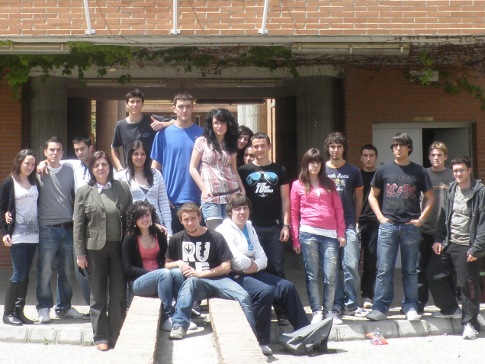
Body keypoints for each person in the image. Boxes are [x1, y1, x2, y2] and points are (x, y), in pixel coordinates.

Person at [216, 193, 310, 355]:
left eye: (245, 208)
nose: (242, 212)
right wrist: (251, 264)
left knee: (286, 287)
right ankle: (261, 340)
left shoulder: (249, 226)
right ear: (230, 211)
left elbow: (263, 257)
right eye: (238, 209)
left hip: (250, 272)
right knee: (264, 291)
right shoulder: (223, 230)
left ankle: (305, 332)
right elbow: (235, 260)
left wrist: (253, 266)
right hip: (233, 276)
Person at [366, 132, 434, 321]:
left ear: (409, 148)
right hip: (388, 226)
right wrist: (380, 216)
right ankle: (380, 307)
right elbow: (372, 195)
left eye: (401, 145)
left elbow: (430, 197)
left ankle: (410, 306)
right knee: (384, 269)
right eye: (395, 145)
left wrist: (421, 219)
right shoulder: (384, 170)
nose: (397, 148)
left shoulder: (419, 171)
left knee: (410, 270)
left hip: (411, 227)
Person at [164, 203, 256, 342]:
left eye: (193, 218)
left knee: (243, 297)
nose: (190, 223)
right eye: (186, 219)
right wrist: (179, 263)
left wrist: (201, 274)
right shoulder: (177, 238)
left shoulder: (215, 236)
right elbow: (167, 265)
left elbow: (226, 267)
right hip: (194, 284)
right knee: (191, 282)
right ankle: (179, 325)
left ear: (200, 217)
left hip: (218, 280)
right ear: (181, 221)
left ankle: (252, 336)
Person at [74, 151, 132, 351]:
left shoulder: (122, 188)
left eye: (104, 164)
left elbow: (131, 218)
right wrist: (80, 254)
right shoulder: (84, 192)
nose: (100, 168)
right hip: (94, 250)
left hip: (118, 250)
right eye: (97, 165)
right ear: (92, 169)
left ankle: (117, 334)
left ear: (110, 167)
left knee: (118, 294)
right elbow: (78, 226)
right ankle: (101, 337)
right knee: (97, 294)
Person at [426, 156, 485, 340]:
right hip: (449, 242)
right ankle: (450, 308)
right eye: (455, 171)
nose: (458, 174)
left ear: (469, 170)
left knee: (467, 285)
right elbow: (444, 216)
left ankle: (470, 323)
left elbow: (483, 223)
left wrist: (476, 249)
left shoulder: (480, 191)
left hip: (467, 246)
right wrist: (438, 239)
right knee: (433, 274)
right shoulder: (451, 188)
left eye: (461, 170)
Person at [238, 132, 291, 326]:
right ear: (251, 148)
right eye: (256, 146)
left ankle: (282, 312)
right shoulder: (243, 170)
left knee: (276, 268)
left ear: (269, 147)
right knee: (253, 269)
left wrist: (286, 225)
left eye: (263, 146)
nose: (259, 150)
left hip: (274, 227)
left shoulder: (280, 170)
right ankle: (259, 310)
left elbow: (286, 199)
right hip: (252, 228)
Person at [290, 148, 346, 325]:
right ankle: (316, 311)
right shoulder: (297, 185)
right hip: (308, 233)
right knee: (312, 274)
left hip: (330, 234)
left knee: (330, 275)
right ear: (305, 164)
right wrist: (295, 238)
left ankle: (329, 311)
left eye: (317, 162)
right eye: (310, 162)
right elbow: (293, 213)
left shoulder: (329, 183)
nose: (314, 165)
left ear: (321, 164)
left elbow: (338, 209)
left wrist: (341, 233)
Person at [122, 201, 197, 332]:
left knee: (177, 273)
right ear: (134, 220)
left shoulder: (158, 233)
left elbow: (165, 259)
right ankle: (167, 317)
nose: (145, 219)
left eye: (147, 215)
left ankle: (182, 315)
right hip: (140, 283)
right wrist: (153, 274)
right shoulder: (130, 238)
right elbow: (128, 268)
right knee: (165, 273)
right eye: (140, 216)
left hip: (163, 278)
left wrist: (162, 273)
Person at [36, 136, 85, 323]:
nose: (54, 153)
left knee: (66, 271)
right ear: (45, 152)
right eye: (51, 150)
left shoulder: (70, 169)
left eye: (58, 150)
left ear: (63, 153)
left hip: (67, 227)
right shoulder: (39, 171)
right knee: (45, 270)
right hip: (47, 227)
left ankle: (63, 307)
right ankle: (43, 307)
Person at [151, 91, 203, 234]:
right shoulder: (162, 134)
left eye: (188, 106)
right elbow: (155, 168)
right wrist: (160, 196)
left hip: (198, 200)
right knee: (172, 246)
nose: (184, 110)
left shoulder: (203, 134)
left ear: (193, 108)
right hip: (170, 201)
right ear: (174, 109)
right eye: (180, 106)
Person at [324, 132, 364, 317]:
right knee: (332, 268)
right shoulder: (321, 170)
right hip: (327, 226)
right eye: (332, 146)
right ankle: (337, 303)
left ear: (343, 148)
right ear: (328, 148)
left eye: (339, 146)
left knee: (350, 265)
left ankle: (353, 303)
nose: (335, 150)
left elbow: (359, 198)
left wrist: (354, 222)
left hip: (347, 224)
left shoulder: (353, 171)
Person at [189, 108, 245, 230]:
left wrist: (242, 190)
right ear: (211, 124)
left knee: (232, 232)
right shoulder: (202, 141)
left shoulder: (231, 144)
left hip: (231, 195)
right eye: (216, 123)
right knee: (215, 234)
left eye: (222, 123)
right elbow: (192, 168)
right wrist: (203, 189)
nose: (219, 126)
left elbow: (234, 170)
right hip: (211, 196)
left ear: (228, 124)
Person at [1, 150, 39, 326]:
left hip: (33, 235)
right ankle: (7, 313)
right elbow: (2, 209)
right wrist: (4, 233)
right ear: (19, 162)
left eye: (33, 164)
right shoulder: (10, 183)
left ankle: (19, 311)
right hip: (17, 234)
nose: (30, 167)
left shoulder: (34, 180)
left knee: (25, 274)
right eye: (27, 163)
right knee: (18, 273)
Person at [418, 141, 454, 313]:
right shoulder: (423, 174)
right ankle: (419, 304)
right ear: (429, 157)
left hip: (447, 231)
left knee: (446, 271)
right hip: (425, 228)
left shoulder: (453, 175)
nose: (436, 158)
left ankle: (451, 303)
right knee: (420, 269)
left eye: (439, 155)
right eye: (433, 155)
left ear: (445, 156)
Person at [116, 140, 172, 236]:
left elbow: (164, 204)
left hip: (157, 225)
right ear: (130, 155)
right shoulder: (121, 176)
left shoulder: (156, 174)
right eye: (136, 154)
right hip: (134, 227)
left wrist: (169, 230)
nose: (139, 157)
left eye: (143, 154)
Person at [111, 89, 172, 171]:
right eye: (132, 101)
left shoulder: (152, 120)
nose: (135, 104)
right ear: (127, 104)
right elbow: (114, 147)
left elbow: (176, 122)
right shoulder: (120, 126)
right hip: (130, 173)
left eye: (138, 101)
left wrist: (163, 124)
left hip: (150, 172)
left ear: (142, 104)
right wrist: (119, 167)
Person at [358, 144, 379, 309]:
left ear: (376, 157)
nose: (368, 158)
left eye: (371, 155)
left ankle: (367, 295)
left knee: (371, 262)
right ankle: (349, 296)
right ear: (361, 158)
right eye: (365, 155)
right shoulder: (356, 175)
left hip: (375, 223)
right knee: (351, 263)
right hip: (357, 223)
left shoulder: (381, 175)